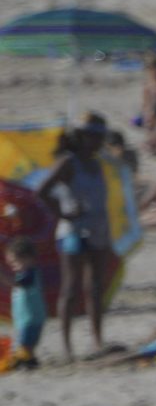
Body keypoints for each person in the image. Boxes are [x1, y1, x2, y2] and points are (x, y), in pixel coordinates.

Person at [35, 124, 115, 356]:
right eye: (96, 137)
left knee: (96, 288)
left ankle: (98, 341)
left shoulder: (97, 164)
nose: (99, 143)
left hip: (99, 230)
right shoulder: (69, 163)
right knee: (71, 288)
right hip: (73, 231)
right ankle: (67, 346)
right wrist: (63, 213)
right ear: (84, 137)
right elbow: (42, 191)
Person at [4, 238, 43, 369]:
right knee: (25, 339)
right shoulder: (22, 274)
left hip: (31, 317)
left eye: (15, 262)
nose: (13, 267)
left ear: (28, 258)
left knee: (26, 340)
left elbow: (18, 284)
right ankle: (30, 358)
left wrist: (3, 277)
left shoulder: (30, 274)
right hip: (25, 316)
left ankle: (25, 358)